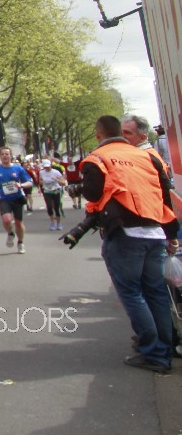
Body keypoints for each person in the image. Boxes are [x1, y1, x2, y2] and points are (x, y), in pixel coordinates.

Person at [66, 115, 178, 374]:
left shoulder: (97, 158)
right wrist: (170, 232)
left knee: (132, 293)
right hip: (155, 230)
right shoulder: (147, 157)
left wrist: (81, 189)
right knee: (156, 292)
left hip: (125, 233)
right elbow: (164, 192)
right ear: (120, 132)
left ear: (98, 134)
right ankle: (165, 349)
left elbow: (93, 193)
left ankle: (153, 353)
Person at [0, 148, 31, 254]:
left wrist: (21, 185)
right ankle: (10, 233)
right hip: (4, 199)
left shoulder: (18, 168)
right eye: (2, 154)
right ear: (0, 156)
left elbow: (29, 182)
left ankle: (20, 242)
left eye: (7, 154)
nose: (5, 156)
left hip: (17, 198)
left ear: (11, 155)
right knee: (6, 220)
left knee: (18, 223)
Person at [39, 157, 67, 231]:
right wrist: (43, 183)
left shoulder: (56, 172)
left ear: (50, 165)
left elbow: (63, 183)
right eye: (45, 167)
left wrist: (56, 179)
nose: (47, 168)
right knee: (49, 207)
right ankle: (52, 222)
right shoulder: (41, 172)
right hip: (47, 191)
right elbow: (40, 181)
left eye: (48, 166)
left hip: (56, 191)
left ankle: (59, 223)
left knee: (57, 208)